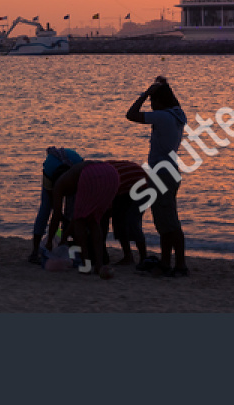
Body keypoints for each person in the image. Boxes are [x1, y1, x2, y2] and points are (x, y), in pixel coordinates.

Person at [125, 77, 190, 276]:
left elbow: (131, 115)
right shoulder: (178, 114)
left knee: (169, 223)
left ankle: (179, 265)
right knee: (165, 222)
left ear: (159, 102)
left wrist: (145, 93)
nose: (151, 106)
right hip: (170, 171)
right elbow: (172, 101)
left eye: (153, 101)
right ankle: (166, 262)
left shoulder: (163, 116)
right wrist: (162, 87)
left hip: (161, 173)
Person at [46, 159, 119, 278]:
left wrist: (50, 241)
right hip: (112, 174)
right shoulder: (74, 174)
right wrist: (64, 237)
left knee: (80, 221)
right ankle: (99, 265)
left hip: (91, 175)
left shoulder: (59, 184)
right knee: (94, 220)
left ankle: (86, 265)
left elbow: (57, 215)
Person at [30, 147, 82, 264]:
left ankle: (69, 243)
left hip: (74, 174)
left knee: (74, 213)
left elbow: (76, 214)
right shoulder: (49, 171)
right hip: (52, 173)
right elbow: (55, 211)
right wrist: (59, 214)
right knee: (45, 209)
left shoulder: (78, 172)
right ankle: (35, 251)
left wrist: (65, 219)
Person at [104, 160, 150, 266]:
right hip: (126, 186)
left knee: (132, 221)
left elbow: (108, 208)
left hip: (144, 187)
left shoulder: (106, 181)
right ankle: (128, 256)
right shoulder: (100, 173)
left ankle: (144, 257)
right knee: (118, 219)